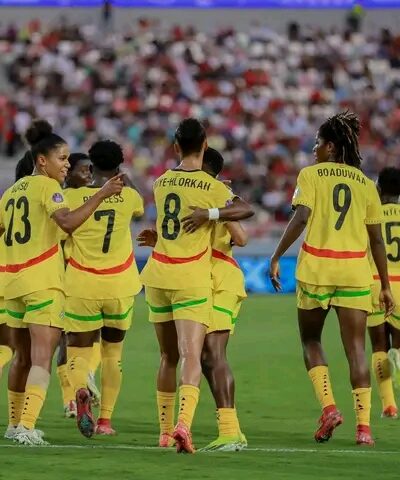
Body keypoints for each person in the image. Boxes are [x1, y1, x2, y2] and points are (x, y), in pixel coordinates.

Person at [269, 111, 394, 446]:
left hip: (317, 269)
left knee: (311, 341)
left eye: (318, 143)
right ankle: (364, 429)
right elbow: (376, 240)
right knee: (356, 350)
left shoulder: (310, 175)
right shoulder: (366, 184)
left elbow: (301, 217)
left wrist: (277, 255)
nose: (314, 149)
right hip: (354, 272)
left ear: (332, 147)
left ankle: (329, 408)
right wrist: (384, 285)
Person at [0, 119, 123, 446]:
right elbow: (67, 222)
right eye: (62, 158)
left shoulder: (10, 193)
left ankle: (13, 424)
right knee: (42, 358)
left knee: (21, 357)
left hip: (12, 283)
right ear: (42, 161)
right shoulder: (47, 187)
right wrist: (102, 194)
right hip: (41, 281)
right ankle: (27, 427)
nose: (67, 164)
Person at [140, 118, 254, 453]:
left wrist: (160, 238)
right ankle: (184, 426)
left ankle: (164, 433)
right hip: (191, 277)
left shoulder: (161, 182)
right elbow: (244, 216)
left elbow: (174, 225)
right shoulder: (212, 187)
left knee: (168, 356)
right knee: (194, 355)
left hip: (158, 274)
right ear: (204, 144)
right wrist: (215, 211)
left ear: (176, 146)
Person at [64, 140, 143, 438]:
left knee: (78, 350)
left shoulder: (71, 196)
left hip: (82, 282)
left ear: (91, 165)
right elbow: (140, 208)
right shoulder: (129, 196)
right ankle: (105, 421)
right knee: (112, 354)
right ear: (119, 165)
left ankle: (80, 390)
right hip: (120, 284)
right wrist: (123, 178)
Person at [56, 152, 102, 420]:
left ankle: (77, 391)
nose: (88, 175)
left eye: (91, 170)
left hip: (77, 279)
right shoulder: (63, 201)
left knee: (77, 339)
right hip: (67, 278)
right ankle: (76, 390)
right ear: (69, 172)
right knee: (71, 340)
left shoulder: (86, 199)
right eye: (83, 170)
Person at [367, 167, 400, 418]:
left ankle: (389, 404)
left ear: (378, 188)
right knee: (397, 345)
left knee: (379, 344)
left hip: (376, 281)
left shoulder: (370, 214)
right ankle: (395, 366)